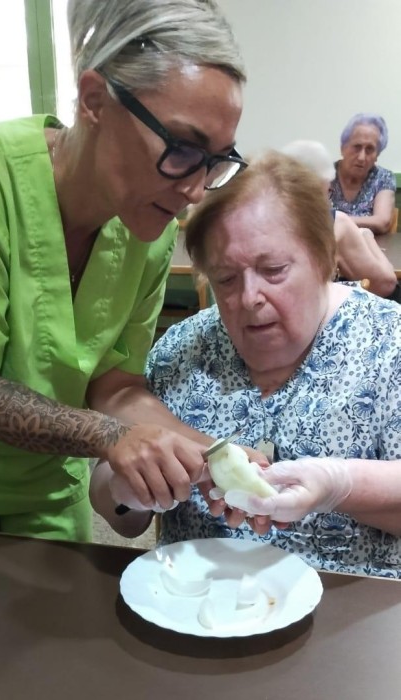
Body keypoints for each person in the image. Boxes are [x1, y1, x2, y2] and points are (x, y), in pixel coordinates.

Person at [0, 0, 250, 541]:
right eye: (183, 149)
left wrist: (212, 455)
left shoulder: (148, 233)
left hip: (45, 488)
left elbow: (115, 384)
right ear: (94, 101)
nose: (195, 191)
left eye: (215, 162)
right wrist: (109, 436)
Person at [91, 152, 401, 578]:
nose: (249, 297)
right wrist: (128, 491)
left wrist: (338, 485)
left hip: (349, 610)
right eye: (226, 278)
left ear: (324, 259)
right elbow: (116, 509)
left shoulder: (388, 345)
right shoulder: (180, 351)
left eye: (273, 270)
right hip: (197, 603)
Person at [282, 139, 398, 298]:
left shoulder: (266, 219)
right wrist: (366, 236)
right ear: (317, 186)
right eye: (328, 190)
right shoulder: (334, 224)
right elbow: (386, 284)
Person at [329, 113, 396, 235]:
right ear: (343, 148)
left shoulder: (383, 178)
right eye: (357, 147)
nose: (361, 157)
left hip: (369, 244)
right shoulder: (326, 175)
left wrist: (336, 219)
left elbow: (382, 222)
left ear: (377, 155)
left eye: (370, 149)